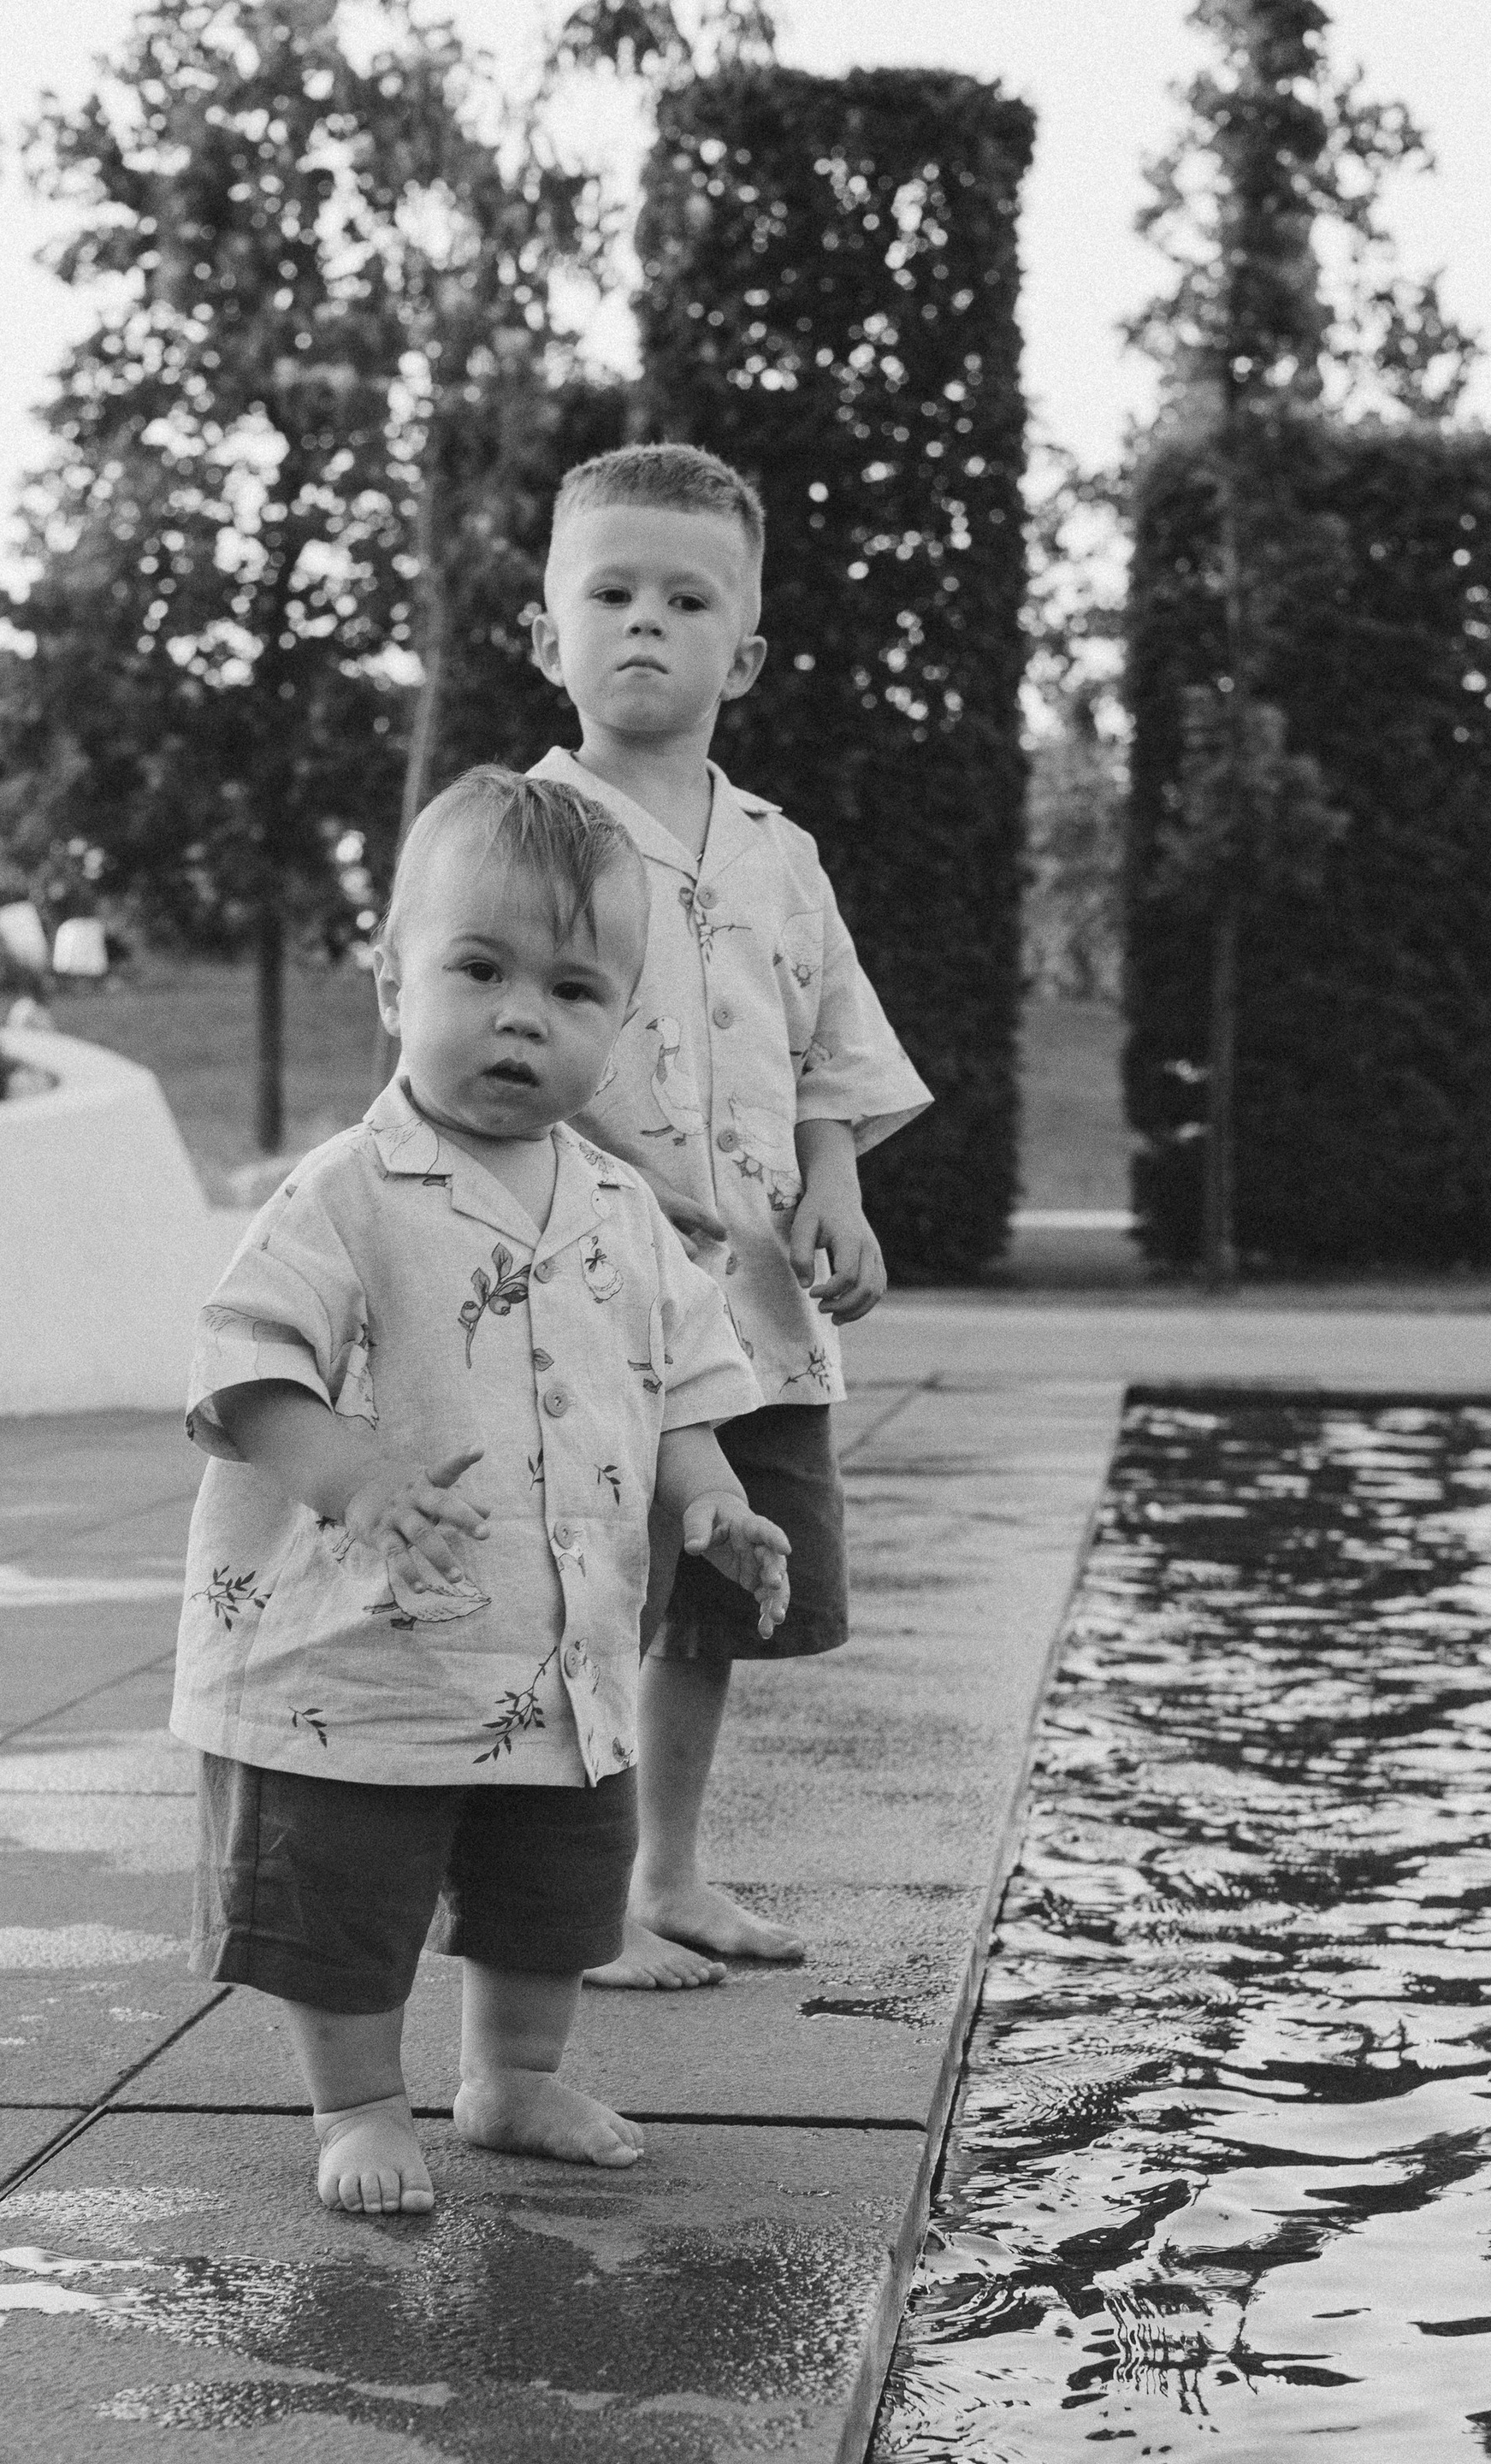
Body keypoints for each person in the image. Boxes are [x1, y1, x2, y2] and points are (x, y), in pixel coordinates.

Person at [169, 767, 790, 2219]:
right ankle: (359, 2099)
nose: (524, 1013)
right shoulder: (345, 1190)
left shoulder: (623, 1210)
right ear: (394, 980)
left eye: (574, 990)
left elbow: (680, 1388)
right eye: (480, 969)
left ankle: (510, 2073)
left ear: (619, 1026)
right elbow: (245, 1370)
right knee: (348, 1880)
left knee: (555, 1879)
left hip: (552, 1648)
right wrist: (357, 1474)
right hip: (358, 1652)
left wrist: (712, 1506)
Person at [527, 441, 933, 1990]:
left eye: (686, 599)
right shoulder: (524, 833)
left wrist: (836, 1184)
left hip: (748, 1303)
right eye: (610, 591)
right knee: (590, 1579)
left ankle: (668, 1872)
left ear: (744, 651)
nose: (646, 623)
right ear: (544, 631)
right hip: (572, 1287)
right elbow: (464, 1035)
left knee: (711, 1597)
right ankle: (561, 1906)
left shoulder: (777, 852)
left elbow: (829, 1043)